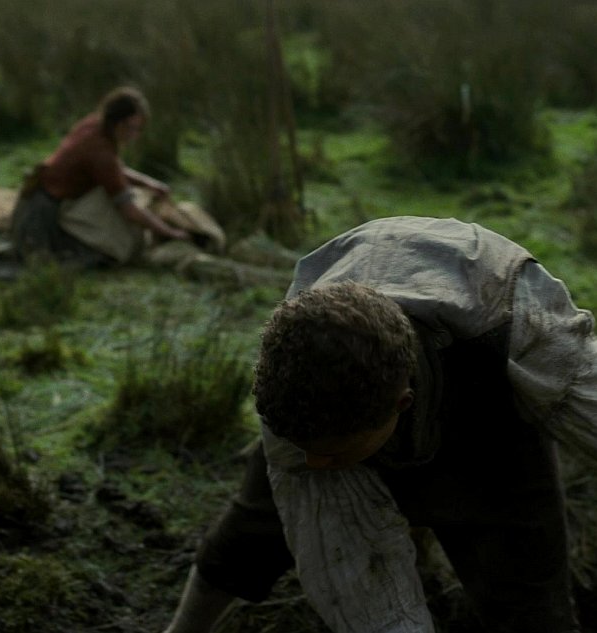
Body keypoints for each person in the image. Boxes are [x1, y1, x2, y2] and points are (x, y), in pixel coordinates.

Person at [162, 215, 597, 633]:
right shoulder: (293, 389)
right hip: (341, 403)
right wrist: (320, 450)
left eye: (333, 453)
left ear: (401, 405)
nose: (315, 462)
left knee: (531, 601)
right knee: (251, 532)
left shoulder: (517, 327)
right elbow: (364, 596)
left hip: (489, 418)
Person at [10, 86, 189, 267]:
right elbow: (128, 208)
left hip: (43, 200)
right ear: (119, 124)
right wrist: (168, 231)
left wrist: (148, 183)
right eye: (134, 128)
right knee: (118, 241)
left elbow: (114, 170)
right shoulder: (100, 150)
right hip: (45, 215)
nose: (135, 135)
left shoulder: (95, 124)